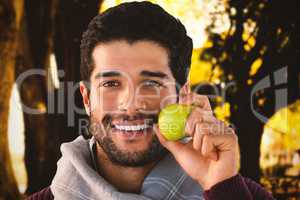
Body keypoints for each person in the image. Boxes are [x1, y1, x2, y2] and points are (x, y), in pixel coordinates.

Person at [27, 1, 275, 200]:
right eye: (111, 84)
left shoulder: (237, 192)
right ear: (87, 98)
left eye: (152, 83)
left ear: (182, 96)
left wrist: (221, 187)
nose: (131, 104)